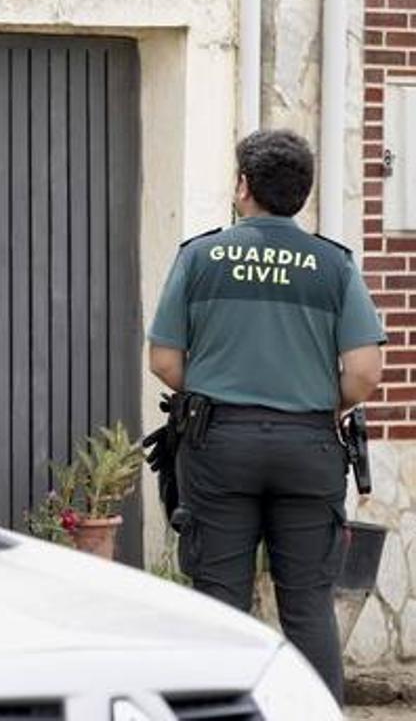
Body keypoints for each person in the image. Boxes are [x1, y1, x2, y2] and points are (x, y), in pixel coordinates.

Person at [147, 128, 384, 703]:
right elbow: (365, 372)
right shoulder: (334, 265)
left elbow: (164, 360)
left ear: (243, 186)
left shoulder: (200, 256)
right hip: (309, 446)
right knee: (306, 602)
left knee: (219, 599)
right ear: (300, 193)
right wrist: (317, 405)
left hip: (219, 442)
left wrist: (212, 392)